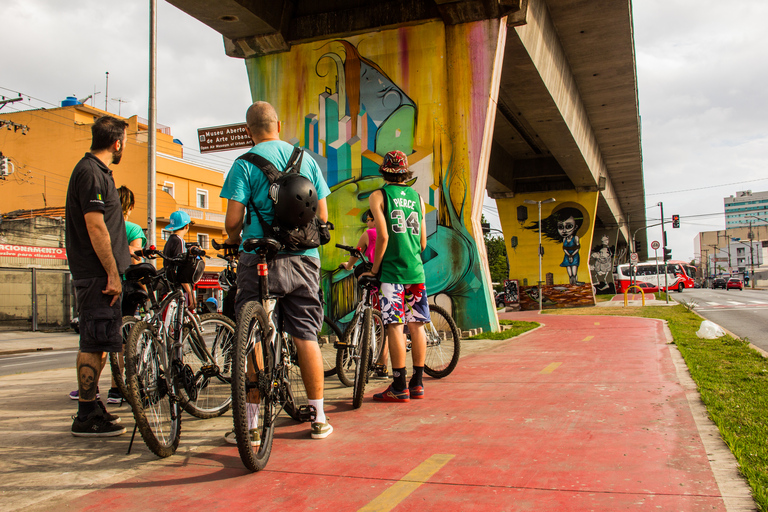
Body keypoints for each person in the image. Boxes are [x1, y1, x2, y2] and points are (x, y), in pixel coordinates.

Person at [220, 101, 333, 442]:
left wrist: (237, 238)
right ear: (279, 125)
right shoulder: (306, 159)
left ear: (247, 130)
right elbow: (323, 216)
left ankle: (251, 427)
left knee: (253, 335)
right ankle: (319, 418)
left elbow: (232, 222)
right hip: (304, 258)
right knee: (306, 337)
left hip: (260, 259)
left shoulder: (243, 165)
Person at [65, 115, 131, 437]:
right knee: (92, 342)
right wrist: (111, 273)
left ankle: (92, 407)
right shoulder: (91, 173)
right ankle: (86, 414)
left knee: (101, 342)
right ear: (117, 143)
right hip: (96, 275)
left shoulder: (96, 171)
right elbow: (95, 225)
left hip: (100, 274)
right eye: (125, 142)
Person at [68, 185, 145, 405]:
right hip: (123, 289)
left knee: (92, 340)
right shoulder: (131, 229)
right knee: (120, 342)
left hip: (96, 286)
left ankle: (88, 389)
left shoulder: (100, 225)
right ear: (129, 206)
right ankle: (116, 388)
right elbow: (135, 262)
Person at [363, 150, 429, 403]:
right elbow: (422, 243)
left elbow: (383, 237)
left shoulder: (378, 196)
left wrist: (374, 270)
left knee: (395, 326)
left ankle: (399, 385)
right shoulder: (418, 198)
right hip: (416, 271)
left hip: (392, 272)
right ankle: (418, 383)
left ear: (384, 171)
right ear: (405, 172)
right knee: (417, 325)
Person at [340, 210, 389, 378]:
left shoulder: (368, 234)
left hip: (375, 279)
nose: (367, 223)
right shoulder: (390, 232)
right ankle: (383, 365)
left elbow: (356, 253)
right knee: (387, 323)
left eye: (369, 219)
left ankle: (378, 362)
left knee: (375, 320)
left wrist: (348, 266)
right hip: (390, 278)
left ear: (375, 220)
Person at [163, 210, 195, 308]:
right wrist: (190, 293)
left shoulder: (170, 241)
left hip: (168, 288)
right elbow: (180, 269)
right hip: (178, 291)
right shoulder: (179, 241)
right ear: (186, 226)